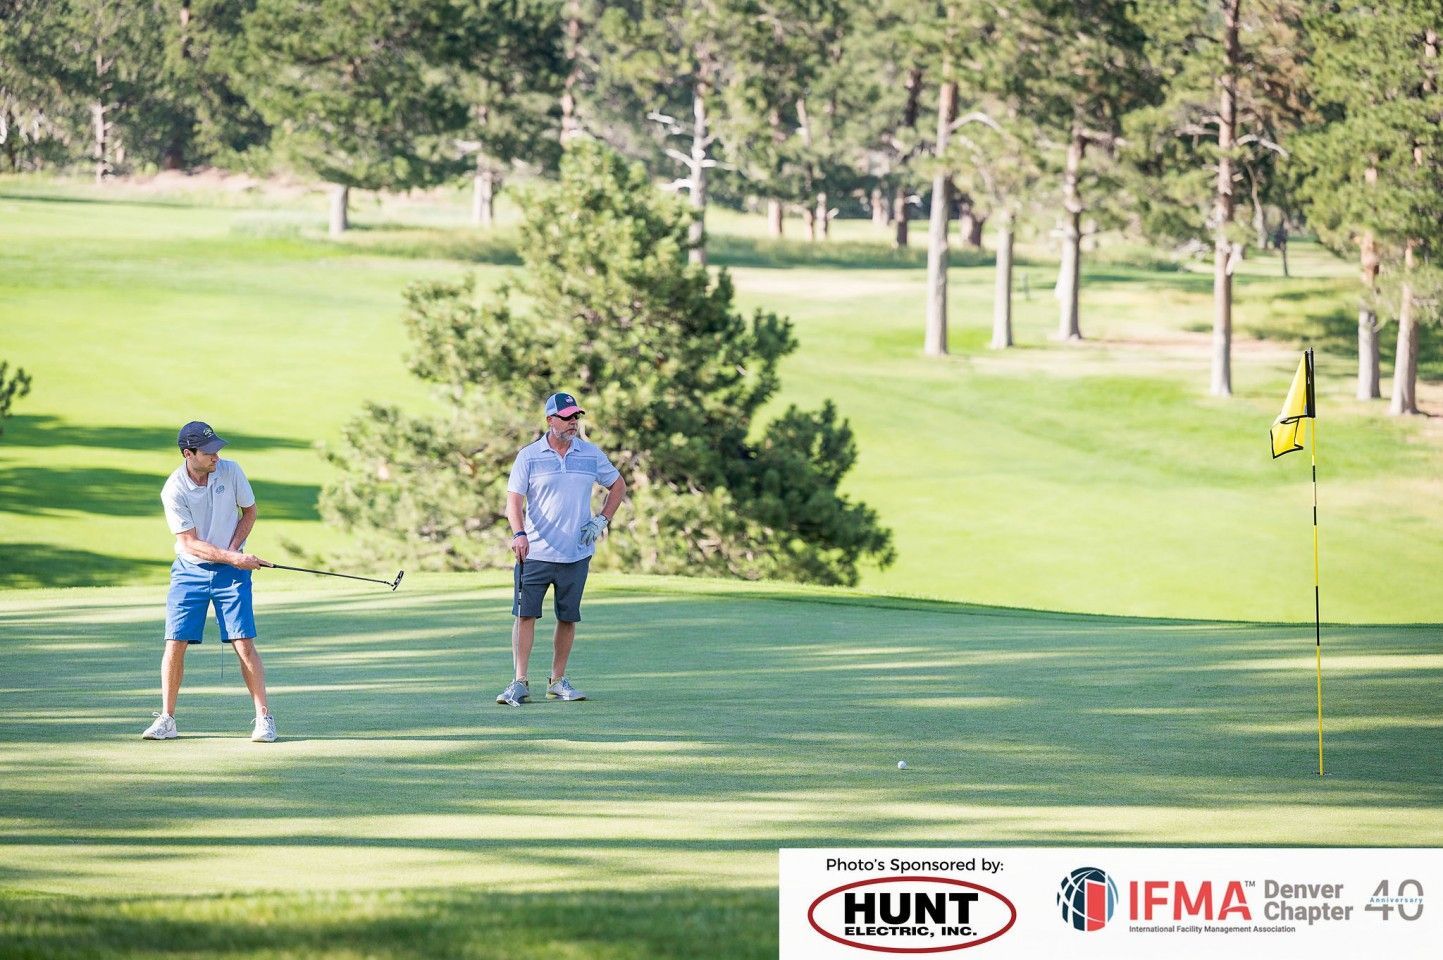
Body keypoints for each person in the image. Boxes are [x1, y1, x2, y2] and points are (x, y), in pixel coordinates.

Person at [141, 422, 277, 742]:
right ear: (189, 454)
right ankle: (167, 719)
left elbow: (250, 512)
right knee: (175, 643)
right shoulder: (174, 488)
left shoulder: (230, 471)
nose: (217, 455)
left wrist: (233, 552)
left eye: (217, 448)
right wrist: (233, 558)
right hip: (190, 571)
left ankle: (264, 719)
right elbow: (188, 543)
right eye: (209, 451)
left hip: (231, 570)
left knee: (243, 642)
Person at [497, 392, 627, 706]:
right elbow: (514, 501)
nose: (573, 423)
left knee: (567, 618)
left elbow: (618, 485)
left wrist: (601, 520)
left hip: (576, 554)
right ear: (550, 420)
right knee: (525, 616)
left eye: (576, 417)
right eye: (567, 417)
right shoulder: (529, 456)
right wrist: (519, 533)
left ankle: (557, 681)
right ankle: (519, 681)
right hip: (536, 553)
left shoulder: (590, 454)